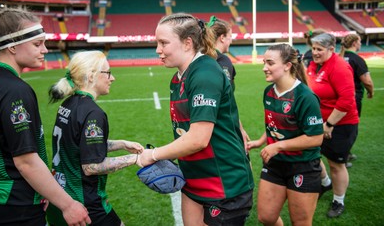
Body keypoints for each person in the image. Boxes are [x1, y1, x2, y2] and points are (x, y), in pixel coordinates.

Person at [139, 13, 254, 226]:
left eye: (163, 43)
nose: (158, 50)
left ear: (187, 42)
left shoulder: (205, 73)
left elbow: (199, 138)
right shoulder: (178, 78)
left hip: (224, 184)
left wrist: (154, 155)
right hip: (194, 179)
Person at [0, 8, 91, 225]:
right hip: (16, 205)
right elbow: (26, 161)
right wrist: (68, 205)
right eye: (37, 44)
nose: (45, 50)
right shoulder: (15, 90)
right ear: (12, 45)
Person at [46, 50, 144, 226]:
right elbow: (92, 166)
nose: (112, 78)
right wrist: (135, 159)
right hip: (83, 204)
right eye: (107, 72)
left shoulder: (68, 104)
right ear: (91, 76)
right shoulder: (93, 113)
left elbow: (81, 146)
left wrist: (121, 144)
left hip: (60, 197)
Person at [247, 44, 324, 226]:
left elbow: (315, 138)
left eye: (270, 63)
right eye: (264, 62)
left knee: (301, 222)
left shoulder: (305, 97)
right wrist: (261, 141)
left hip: (303, 166)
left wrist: (278, 146)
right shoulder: (269, 92)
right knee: (266, 217)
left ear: (287, 65)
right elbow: (276, 125)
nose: (264, 67)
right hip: (275, 164)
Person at [307, 32, 359, 218]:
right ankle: (325, 182)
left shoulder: (340, 67)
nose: (315, 52)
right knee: (310, 154)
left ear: (331, 49)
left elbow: (346, 101)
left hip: (340, 124)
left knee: (336, 164)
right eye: (313, 48)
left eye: (319, 49)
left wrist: (329, 124)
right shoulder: (314, 64)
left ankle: (339, 200)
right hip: (318, 123)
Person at [207, 15, 250, 151]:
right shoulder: (223, 61)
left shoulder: (200, 57)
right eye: (230, 36)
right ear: (222, 37)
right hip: (222, 129)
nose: (231, 40)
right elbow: (227, 102)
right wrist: (238, 130)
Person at [339, 33, 374, 167]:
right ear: (354, 43)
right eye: (359, 41)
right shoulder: (356, 59)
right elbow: (367, 82)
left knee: (340, 126)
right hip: (352, 98)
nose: (360, 44)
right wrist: (371, 92)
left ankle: (344, 153)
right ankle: (343, 156)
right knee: (350, 128)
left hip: (338, 98)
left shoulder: (338, 58)